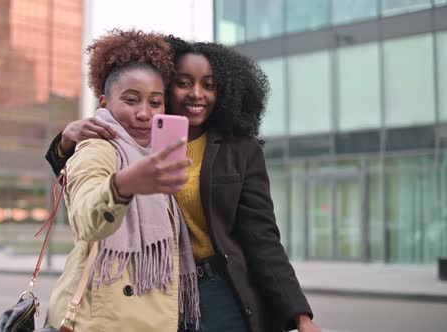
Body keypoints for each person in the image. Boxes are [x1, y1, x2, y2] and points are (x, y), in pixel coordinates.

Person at [46, 36, 322, 332]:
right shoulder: (131, 139)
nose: (197, 94)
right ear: (167, 86)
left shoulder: (240, 151)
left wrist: (300, 317)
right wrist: (65, 140)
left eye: (210, 85)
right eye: (184, 82)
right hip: (149, 290)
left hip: (218, 290)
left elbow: (262, 237)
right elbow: (88, 183)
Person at [45, 29, 199, 331]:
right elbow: (87, 218)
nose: (144, 113)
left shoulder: (154, 154)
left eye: (155, 103)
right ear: (104, 103)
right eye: (131, 100)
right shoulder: (97, 147)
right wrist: (122, 185)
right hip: (100, 320)